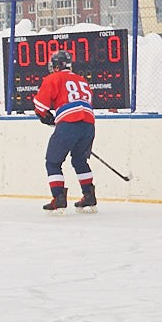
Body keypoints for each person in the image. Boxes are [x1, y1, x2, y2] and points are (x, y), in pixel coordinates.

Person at [31, 58, 98, 212]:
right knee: (80, 160)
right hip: (88, 124)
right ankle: (89, 195)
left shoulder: (54, 78)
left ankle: (58, 198)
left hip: (69, 123)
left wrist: (44, 116)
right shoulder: (82, 80)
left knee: (53, 162)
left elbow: (40, 105)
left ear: (56, 66)